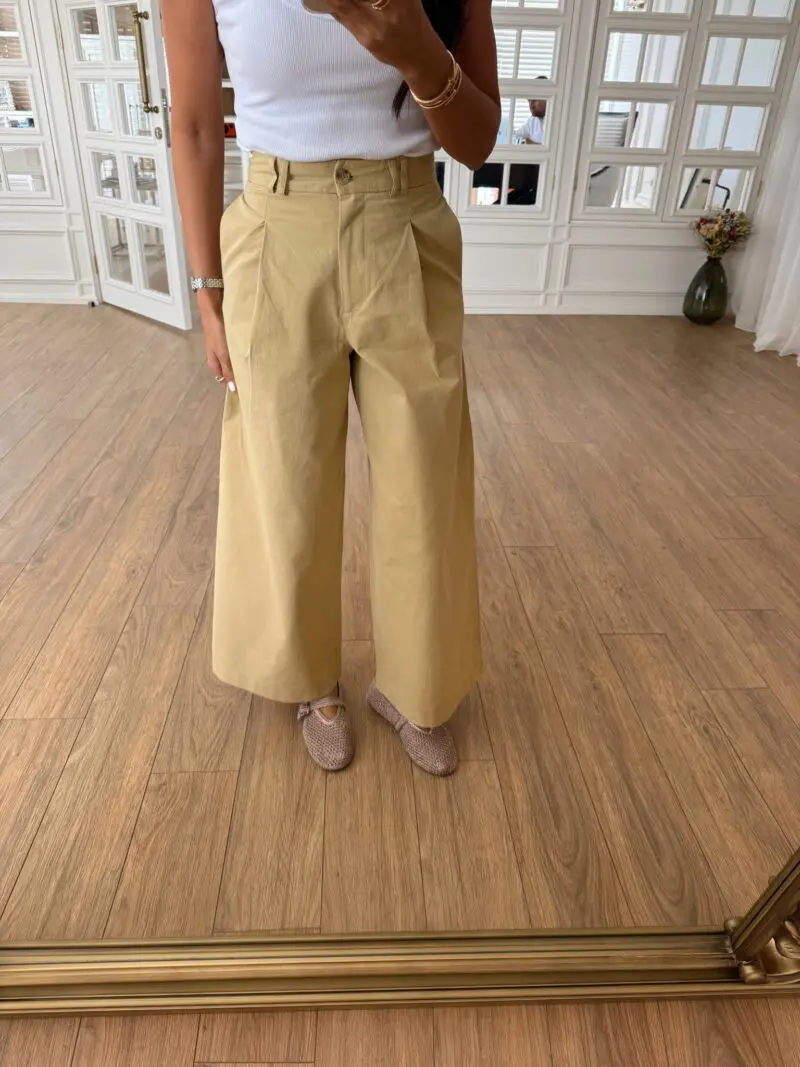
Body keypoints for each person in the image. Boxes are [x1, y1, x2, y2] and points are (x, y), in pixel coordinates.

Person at [162, 0, 499, 776]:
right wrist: (207, 289)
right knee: (284, 477)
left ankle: (418, 685)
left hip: (405, 220)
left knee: (426, 478)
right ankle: (310, 681)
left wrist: (417, 52)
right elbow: (196, 125)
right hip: (275, 229)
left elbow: (479, 143)